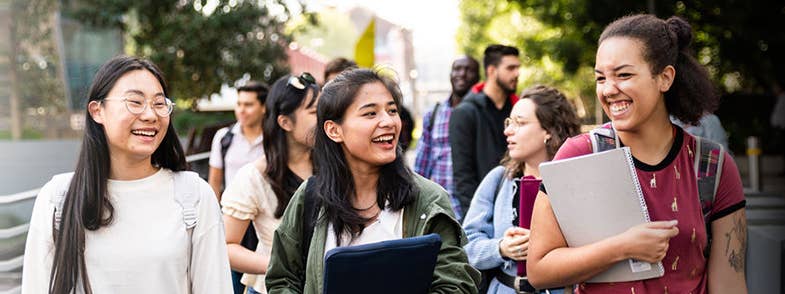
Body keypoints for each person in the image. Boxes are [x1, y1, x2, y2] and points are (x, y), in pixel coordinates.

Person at [527, 15, 748, 293]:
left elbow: (730, 282)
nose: (608, 90)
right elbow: (539, 270)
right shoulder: (579, 153)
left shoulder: (712, 165)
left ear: (664, 78)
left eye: (624, 75)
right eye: (600, 78)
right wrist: (623, 247)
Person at [21, 55, 232, 293]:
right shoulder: (58, 198)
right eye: (135, 101)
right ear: (97, 111)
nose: (150, 115)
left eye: (159, 103)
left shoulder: (193, 196)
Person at [265, 68, 480, 293]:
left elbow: (456, 285)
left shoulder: (427, 199)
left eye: (392, 110)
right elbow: (282, 279)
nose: (388, 122)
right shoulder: (309, 197)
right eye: (370, 113)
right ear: (334, 130)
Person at [462, 85, 580, 294]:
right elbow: (465, 247)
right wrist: (501, 248)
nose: (508, 130)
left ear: (548, 131)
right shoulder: (499, 179)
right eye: (509, 122)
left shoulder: (575, 181)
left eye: (520, 123)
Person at [221, 73, 319, 294]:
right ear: (285, 121)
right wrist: (279, 265)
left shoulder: (337, 167)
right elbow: (226, 246)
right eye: (314, 112)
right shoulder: (254, 176)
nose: (325, 118)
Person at [450, 44, 521, 216]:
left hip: (517, 209)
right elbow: (463, 177)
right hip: (483, 216)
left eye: (518, 68)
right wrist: (477, 222)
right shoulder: (465, 112)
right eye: (510, 68)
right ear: (491, 71)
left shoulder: (519, 110)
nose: (517, 74)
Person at [414, 55, 480, 221]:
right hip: (441, 207)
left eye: (469, 70)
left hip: (473, 207)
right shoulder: (434, 114)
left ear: (478, 77)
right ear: (450, 74)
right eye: (457, 69)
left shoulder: (482, 114)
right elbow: (422, 163)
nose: (462, 74)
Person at [208, 81, 269, 200]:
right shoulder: (223, 137)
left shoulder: (275, 139)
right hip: (231, 213)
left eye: (248, 105)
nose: (241, 110)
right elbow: (214, 183)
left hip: (266, 214)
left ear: (264, 108)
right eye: (239, 104)